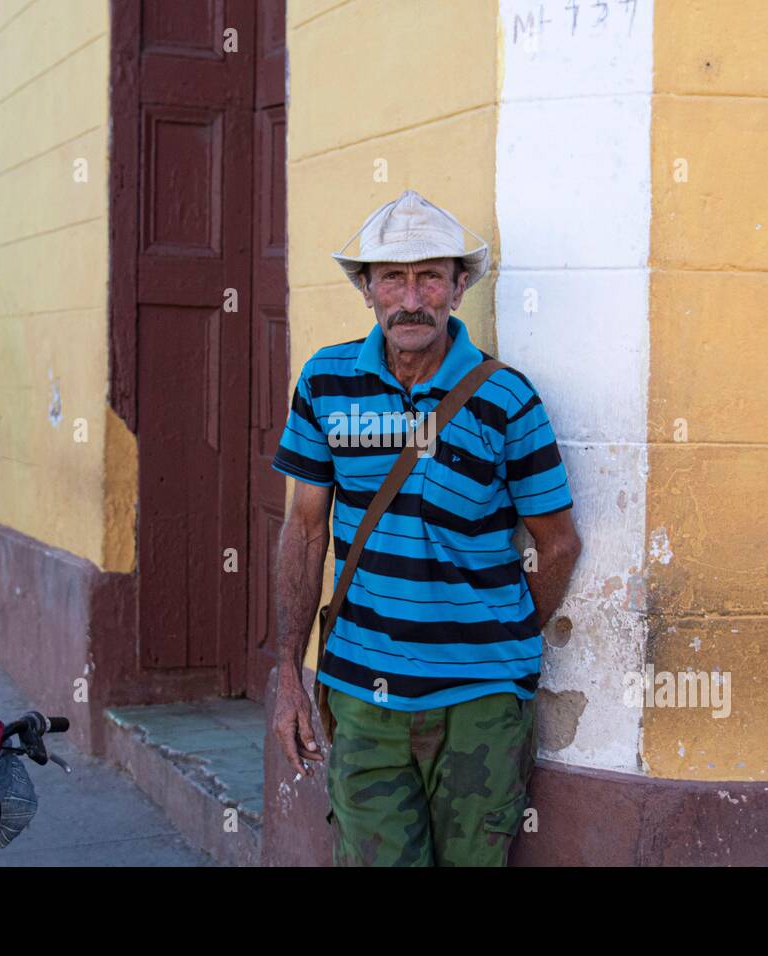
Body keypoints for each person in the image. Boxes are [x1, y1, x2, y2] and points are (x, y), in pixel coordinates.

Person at [271, 189, 581, 866]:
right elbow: (303, 534)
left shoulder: (507, 398)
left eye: (430, 277)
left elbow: (558, 543)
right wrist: (289, 676)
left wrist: (503, 643)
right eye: (392, 278)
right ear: (366, 290)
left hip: (481, 704)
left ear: (458, 287)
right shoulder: (325, 383)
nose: (411, 299)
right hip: (360, 695)